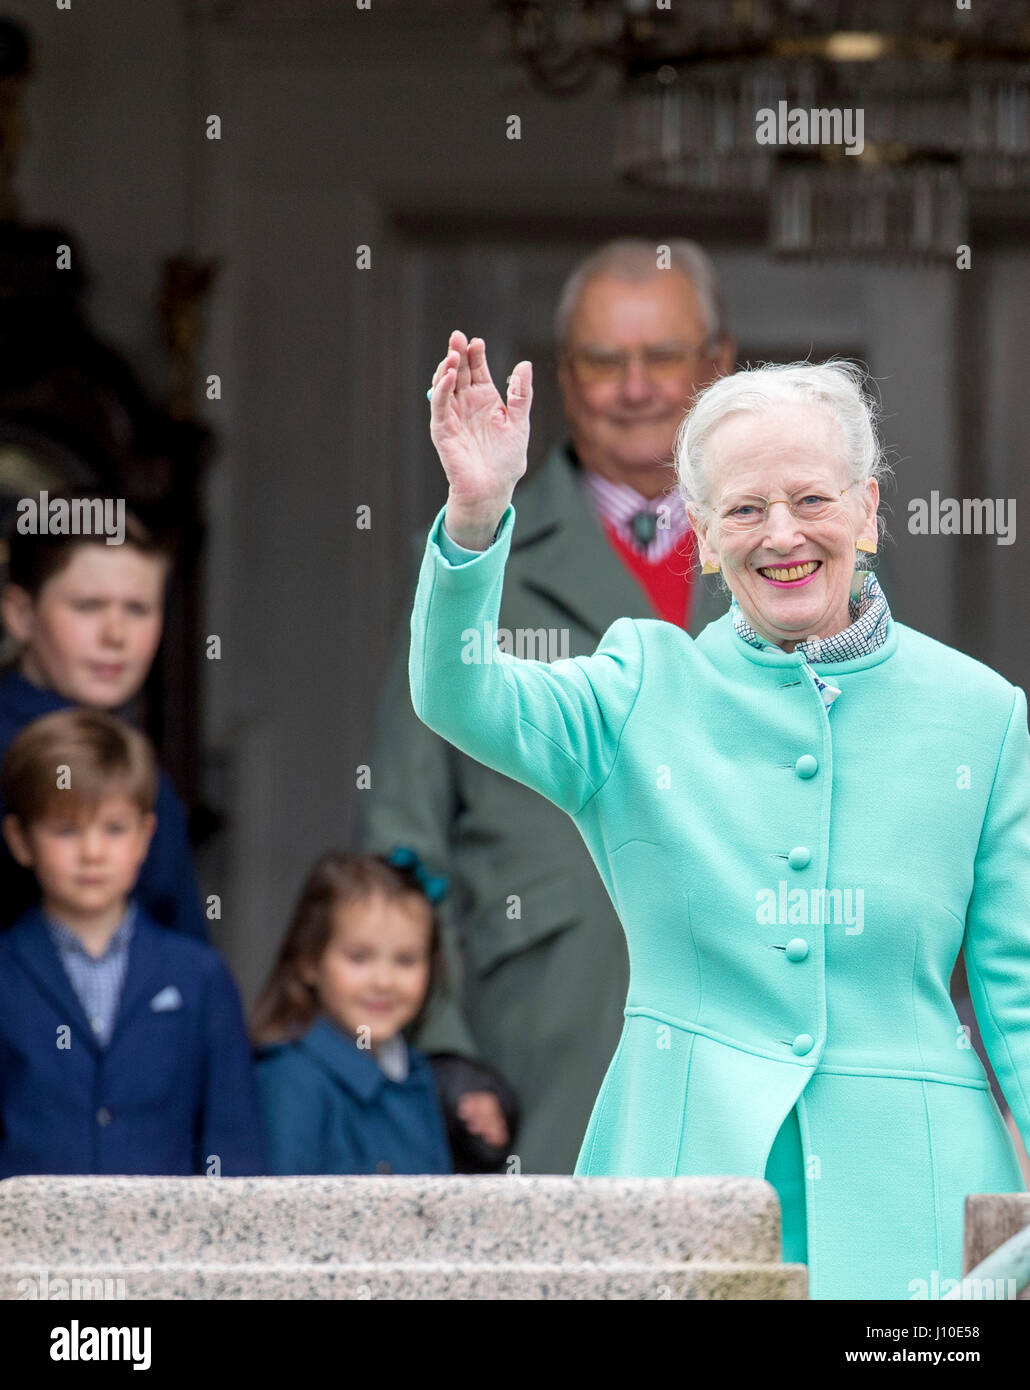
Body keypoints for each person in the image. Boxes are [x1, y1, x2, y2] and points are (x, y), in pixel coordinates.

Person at [408, 331, 1030, 1300]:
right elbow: (461, 694)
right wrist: (478, 517)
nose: (782, 534)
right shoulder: (634, 690)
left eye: (812, 499)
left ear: (866, 508)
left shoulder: (980, 712)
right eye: (745, 508)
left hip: (914, 1194)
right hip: (680, 1175)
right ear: (700, 531)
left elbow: (1017, 992)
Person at [356, 239, 737, 1172]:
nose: (637, 387)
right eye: (606, 360)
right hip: (536, 1031)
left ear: (719, 366)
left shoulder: (782, 553)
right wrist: (442, 1039)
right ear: (566, 375)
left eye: (665, 357)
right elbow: (404, 826)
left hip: (744, 1021)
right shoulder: (471, 557)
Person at [0, 708, 263, 1177]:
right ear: (20, 840)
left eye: (114, 828)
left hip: (170, 1247)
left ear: (145, 837)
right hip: (25, 1248)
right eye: (66, 829)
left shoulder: (200, 978)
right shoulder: (7, 971)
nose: (93, 852)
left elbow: (233, 1141)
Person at [0, 491, 207, 940]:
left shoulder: (145, 771)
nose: (115, 634)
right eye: (88, 606)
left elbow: (180, 946)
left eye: (137, 609)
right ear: (21, 614)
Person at [252, 849, 519, 1175]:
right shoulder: (291, 1079)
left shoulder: (416, 1075)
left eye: (406, 960)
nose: (384, 981)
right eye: (359, 957)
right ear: (310, 961)